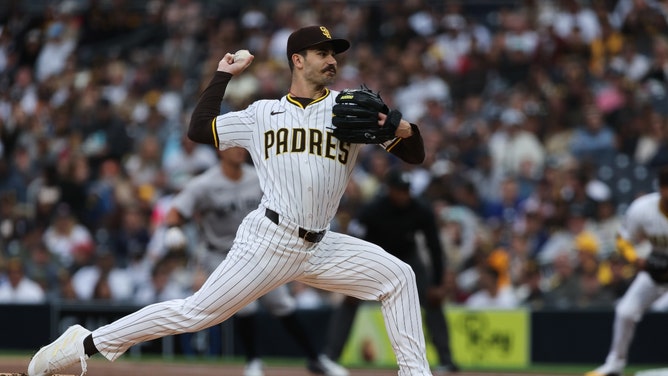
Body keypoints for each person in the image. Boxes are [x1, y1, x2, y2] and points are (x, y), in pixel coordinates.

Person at [27, 25, 433, 376]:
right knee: (195, 314)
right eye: (322, 53)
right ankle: (83, 344)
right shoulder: (262, 114)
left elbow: (414, 157)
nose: (332, 61)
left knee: (398, 277)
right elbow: (200, 129)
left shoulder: (348, 110)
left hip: (321, 244)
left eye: (334, 54)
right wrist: (222, 75)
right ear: (297, 60)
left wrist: (401, 126)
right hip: (270, 239)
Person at [161, 146, 347, 376]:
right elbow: (175, 212)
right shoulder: (204, 184)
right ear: (220, 151)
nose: (240, 150)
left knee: (282, 303)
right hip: (220, 253)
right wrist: (172, 229)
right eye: (234, 146)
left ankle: (315, 359)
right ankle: (253, 362)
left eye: (242, 146)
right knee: (245, 304)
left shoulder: (258, 176)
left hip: (257, 250)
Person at [323, 169, 459, 374]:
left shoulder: (420, 209)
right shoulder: (372, 210)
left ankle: (446, 360)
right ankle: (330, 357)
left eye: (407, 190)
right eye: (399, 190)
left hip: (407, 259)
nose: (404, 195)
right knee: (349, 301)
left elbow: (434, 247)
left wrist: (437, 283)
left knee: (433, 300)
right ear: (390, 190)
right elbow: (353, 240)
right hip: (375, 260)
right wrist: (349, 278)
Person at [585, 166, 668, 376]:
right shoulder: (644, 208)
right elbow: (623, 239)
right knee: (625, 311)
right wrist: (635, 259)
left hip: (660, 264)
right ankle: (614, 365)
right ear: (661, 188)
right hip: (656, 269)